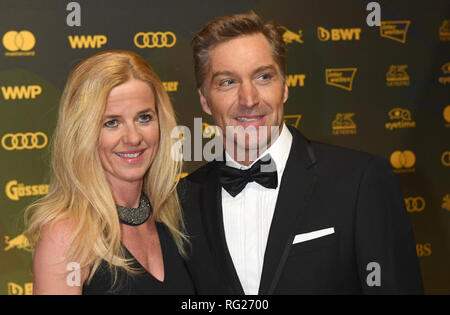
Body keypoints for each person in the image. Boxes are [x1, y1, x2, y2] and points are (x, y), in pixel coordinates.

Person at [180, 11, 424, 294]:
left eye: (263, 77)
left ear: (284, 87)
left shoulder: (360, 182)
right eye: (227, 82)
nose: (249, 99)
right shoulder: (183, 201)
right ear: (205, 100)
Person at [26, 50, 194, 295]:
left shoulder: (173, 218)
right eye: (112, 122)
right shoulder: (67, 237)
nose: (133, 137)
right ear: (82, 133)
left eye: (144, 118)